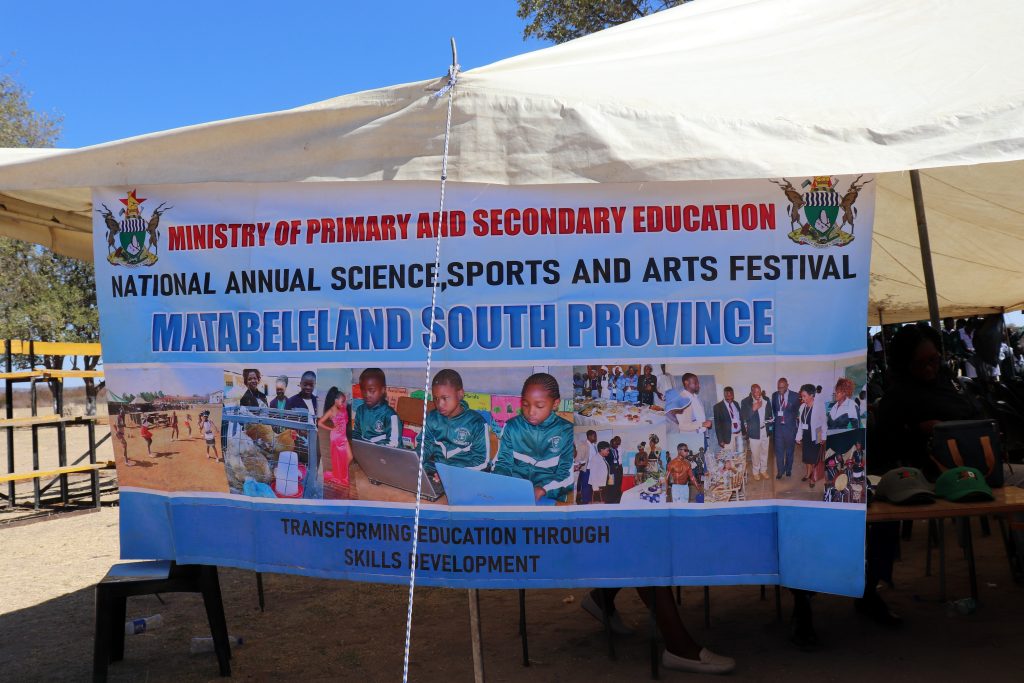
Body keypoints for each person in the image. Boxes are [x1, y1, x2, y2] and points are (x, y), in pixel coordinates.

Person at [493, 373, 575, 504]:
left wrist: (544, 489)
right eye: (525, 404)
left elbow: (568, 476)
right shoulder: (512, 427)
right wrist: (502, 482)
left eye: (539, 406)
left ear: (555, 404)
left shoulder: (567, 432)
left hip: (549, 493)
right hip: (515, 491)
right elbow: (502, 463)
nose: (531, 412)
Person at [417, 369, 490, 478]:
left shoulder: (476, 423)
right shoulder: (432, 418)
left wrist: (450, 474)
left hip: (464, 477)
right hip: (436, 473)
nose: (439, 404)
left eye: (445, 398)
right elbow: (425, 445)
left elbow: (482, 462)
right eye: (436, 398)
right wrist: (414, 460)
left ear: (460, 394)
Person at [352, 368, 401, 446]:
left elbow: (394, 444)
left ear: (382, 390)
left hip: (383, 451)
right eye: (363, 390)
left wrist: (371, 446)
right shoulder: (360, 410)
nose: (367, 395)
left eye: (372, 391)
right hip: (364, 449)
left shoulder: (390, 415)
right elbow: (356, 434)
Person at [318, 387, 351, 487]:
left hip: (343, 436)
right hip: (337, 437)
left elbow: (345, 420)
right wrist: (331, 429)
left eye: (344, 401)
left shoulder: (342, 408)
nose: (343, 403)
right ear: (336, 400)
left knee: (349, 457)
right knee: (345, 457)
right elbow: (320, 423)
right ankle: (339, 476)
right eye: (342, 401)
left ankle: (339, 474)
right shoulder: (331, 411)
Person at [740, 383, 773, 480]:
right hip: (754, 432)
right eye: (756, 392)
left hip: (765, 431)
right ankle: (756, 471)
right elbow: (744, 417)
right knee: (755, 454)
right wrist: (754, 408)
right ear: (752, 392)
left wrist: (770, 430)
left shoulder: (766, 399)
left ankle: (763, 470)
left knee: (765, 452)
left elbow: (770, 415)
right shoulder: (745, 402)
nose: (758, 394)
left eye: (759, 391)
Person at [798, 384, 827, 487]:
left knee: (815, 458)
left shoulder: (819, 406)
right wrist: (798, 436)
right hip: (806, 434)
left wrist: (823, 437)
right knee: (807, 457)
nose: (802, 398)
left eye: (804, 396)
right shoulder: (802, 407)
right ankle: (808, 473)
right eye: (802, 396)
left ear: (811, 395)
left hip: (817, 434)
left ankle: (813, 478)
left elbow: (824, 422)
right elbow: (801, 424)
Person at [771, 378, 801, 479]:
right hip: (778, 429)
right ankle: (780, 471)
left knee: (789, 451)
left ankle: (788, 470)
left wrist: (790, 420)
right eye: (778, 387)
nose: (780, 390)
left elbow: (796, 411)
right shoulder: (774, 395)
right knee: (779, 451)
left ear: (787, 385)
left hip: (790, 429)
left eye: (782, 387)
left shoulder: (795, 396)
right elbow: (774, 409)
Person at [673, 374, 712, 441]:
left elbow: (698, 418)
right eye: (695, 383)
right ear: (686, 382)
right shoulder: (681, 400)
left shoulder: (696, 398)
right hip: (690, 439)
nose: (698, 385)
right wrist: (702, 424)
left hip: (702, 435)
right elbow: (682, 426)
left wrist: (704, 424)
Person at [713, 386, 744, 459]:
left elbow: (740, 419)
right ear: (724, 395)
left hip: (739, 435)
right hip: (728, 437)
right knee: (729, 458)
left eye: (731, 396)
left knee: (740, 457)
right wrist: (720, 440)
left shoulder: (736, 404)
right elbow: (717, 425)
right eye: (728, 396)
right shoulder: (718, 407)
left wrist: (744, 432)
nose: (730, 398)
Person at [577, 430, 597, 504]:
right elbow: (578, 459)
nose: (595, 437)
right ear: (589, 436)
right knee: (585, 488)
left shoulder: (594, 445)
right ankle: (585, 503)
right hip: (586, 470)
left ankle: (589, 502)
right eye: (594, 436)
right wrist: (582, 463)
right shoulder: (583, 445)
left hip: (593, 470)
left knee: (590, 488)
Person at [605, 435, 624, 503]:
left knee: (617, 484)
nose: (617, 445)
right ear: (612, 443)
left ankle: (617, 498)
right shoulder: (608, 451)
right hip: (611, 470)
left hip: (617, 469)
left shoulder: (616, 450)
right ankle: (610, 499)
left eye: (617, 444)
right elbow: (608, 461)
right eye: (616, 444)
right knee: (611, 485)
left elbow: (617, 459)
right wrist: (613, 466)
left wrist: (617, 466)